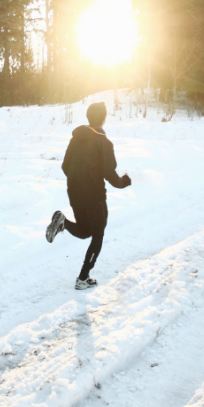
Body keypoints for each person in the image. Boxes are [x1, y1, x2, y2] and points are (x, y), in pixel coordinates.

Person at [45, 101, 131, 290]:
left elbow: (65, 166)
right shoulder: (104, 142)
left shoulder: (75, 139)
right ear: (104, 118)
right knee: (97, 235)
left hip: (74, 192)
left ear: (88, 117)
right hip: (94, 196)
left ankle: (63, 222)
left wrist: (79, 180)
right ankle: (83, 278)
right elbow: (110, 174)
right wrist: (125, 181)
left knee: (86, 231)